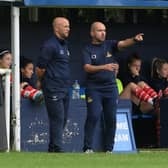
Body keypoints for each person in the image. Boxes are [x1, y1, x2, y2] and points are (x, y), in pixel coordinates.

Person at [82, 21, 144, 153]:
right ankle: (87, 147)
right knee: (93, 116)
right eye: (99, 30)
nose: (103, 32)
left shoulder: (109, 45)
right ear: (92, 33)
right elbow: (87, 67)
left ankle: (109, 149)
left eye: (104, 30)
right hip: (94, 88)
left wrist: (134, 39)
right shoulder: (87, 49)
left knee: (111, 118)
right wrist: (104, 67)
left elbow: (123, 43)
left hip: (110, 88)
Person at [36, 17, 70, 152]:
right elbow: (40, 68)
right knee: (57, 117)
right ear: (56, 28)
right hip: (53, 87)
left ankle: (52, 147)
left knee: (64, 118)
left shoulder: (64, 44)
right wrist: (43, 81)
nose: (68, 29)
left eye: (68, 26)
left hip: (65, 87)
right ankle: (57, 147)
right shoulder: (49, 45)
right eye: (65, 26)